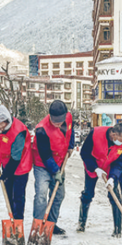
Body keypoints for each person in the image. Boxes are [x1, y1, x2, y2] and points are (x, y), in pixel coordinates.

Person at [76, 123, 122, 237]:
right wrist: (95, 168)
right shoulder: (95, 133)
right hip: (93, 165)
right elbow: (85, 153)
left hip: (110, 167)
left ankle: (117, 230)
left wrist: (113, 177)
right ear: (114, 134)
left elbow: (120, 163)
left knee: (114, 196)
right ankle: (81, 223)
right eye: (121, 139)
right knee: (88, 193)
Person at [31, 100, 75, 235]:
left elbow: (70, 131)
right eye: (55, 122)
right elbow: (45, 155)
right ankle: (38, 226)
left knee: (59, 195)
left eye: (60, 121)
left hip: (60, 160)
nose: (58, 124)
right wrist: (55, 171)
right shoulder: (41, 129)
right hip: (42, 164)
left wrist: (71, 146)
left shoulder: (68, 117)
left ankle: (51, 224)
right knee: (41, 194)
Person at [0, 105, 32, 221]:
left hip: (21, 165)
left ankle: (18, 220)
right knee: (8, 193)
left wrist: (5, 174)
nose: (0, 127)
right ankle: (12, 217)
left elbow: (16, 157)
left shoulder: (19, 131)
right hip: (7, 163)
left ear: (7, 119)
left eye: (2, 124)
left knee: (18, 196)